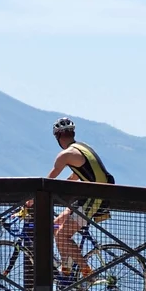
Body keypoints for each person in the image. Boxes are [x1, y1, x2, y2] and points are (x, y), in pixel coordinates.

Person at [42, 117, 116, 281]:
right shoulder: (82, 148)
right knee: (56, 226)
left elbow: (48, 181)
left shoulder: (65, 155)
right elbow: (77, 174)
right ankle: (66, 269)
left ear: (58, 138)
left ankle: (86, 273)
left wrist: (32, 199)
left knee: (62, 235)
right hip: (93, 194)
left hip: (94, 197)